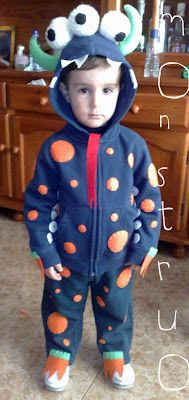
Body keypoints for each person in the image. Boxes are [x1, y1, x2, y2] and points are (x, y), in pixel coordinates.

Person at [24, 4, 161, 392]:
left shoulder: (134, 146)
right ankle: (59, 353)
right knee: (61, 306)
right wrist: (45, 253)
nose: (96, 102)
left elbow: (150, 199)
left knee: (116, 308)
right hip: (66, 254)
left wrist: (144, 247)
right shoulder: (54, 149)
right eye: (84, 90)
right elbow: (37, 205)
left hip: (117, 255)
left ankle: (115, 353)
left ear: (122, 89)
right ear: (65, 91)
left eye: (107, 90)